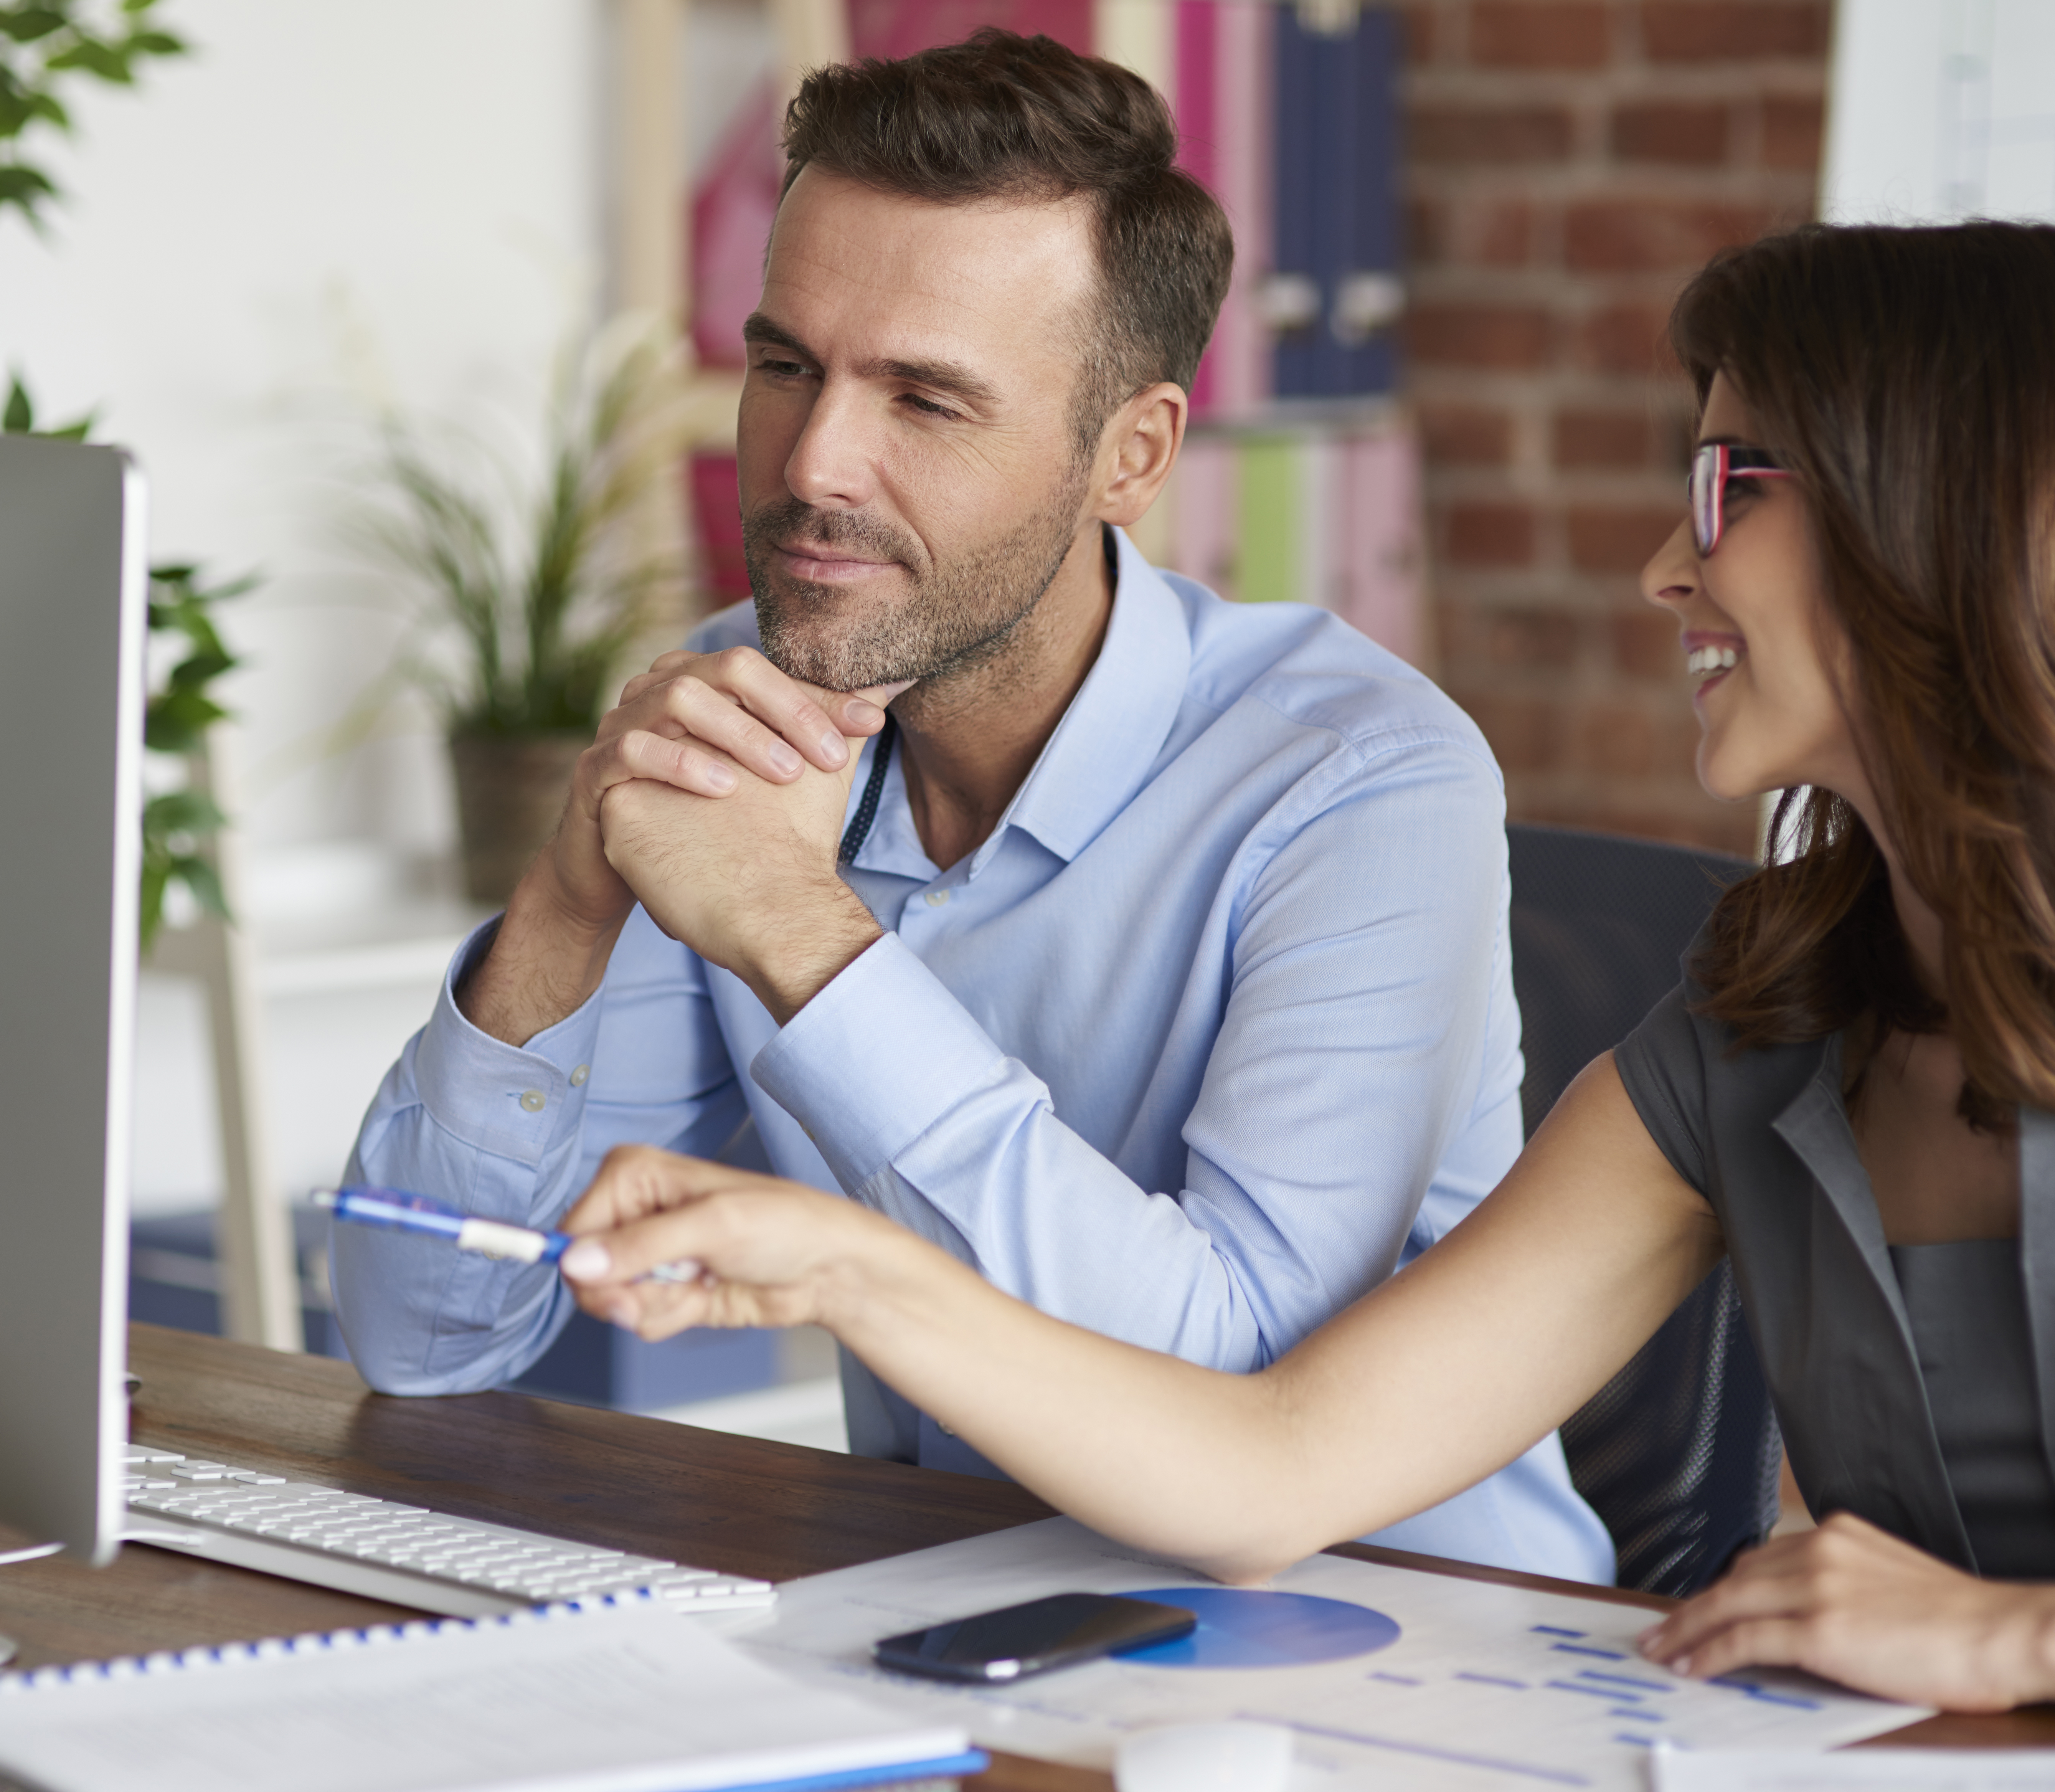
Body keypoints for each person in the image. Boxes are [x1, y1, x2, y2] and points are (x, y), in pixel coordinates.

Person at [554, 219, 2055, 1720]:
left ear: (1948, 524)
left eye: (1730, 491)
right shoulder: (1762, 1024)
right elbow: (1276, 1463)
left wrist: (2037, 1636)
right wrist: (846, 1270)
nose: (1664, 573)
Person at [333, 29, 1611, 1582]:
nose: (814, 463)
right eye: (786, 365)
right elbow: (421, 1334)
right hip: (962, 1613)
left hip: (1414, 1654)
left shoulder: (1361, 779)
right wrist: (568, 898)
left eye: (925, 401)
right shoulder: (748, 710)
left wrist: (808, 937)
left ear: (1129, 455)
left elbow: (1235, 1399)